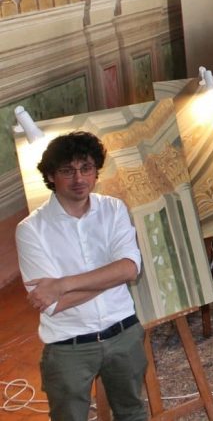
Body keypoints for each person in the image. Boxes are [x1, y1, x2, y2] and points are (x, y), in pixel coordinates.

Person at [16, 132, 147, 420]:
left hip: (123, 333)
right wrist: (112, 275)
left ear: (96, 171)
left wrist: (63, 284)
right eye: (67, 170)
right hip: (68, 346)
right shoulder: (30, 230)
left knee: (133, 414)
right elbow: (52, 303)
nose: (79, 178)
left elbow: (129, 269)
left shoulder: (113, 209)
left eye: (86, 168)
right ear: (50, 176)